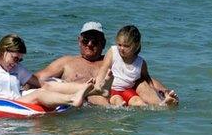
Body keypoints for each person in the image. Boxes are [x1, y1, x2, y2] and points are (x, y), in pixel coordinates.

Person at [29, 22, 179, 106]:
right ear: (78, 40)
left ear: (104, 44)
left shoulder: (115, 59)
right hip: (91, 106)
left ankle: (163, 104)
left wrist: (164, 90)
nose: (89, 44)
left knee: (141, 86)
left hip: (120, 100)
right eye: (85, 40)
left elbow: (145, 78)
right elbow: (38, 78)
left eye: (95, 41)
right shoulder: (67, 62)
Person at [94, 25, 178, 106]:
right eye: (119, 44)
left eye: (126, 46)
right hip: (113, 90)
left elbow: (148, 80)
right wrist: (98, 85)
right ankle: (121, 107)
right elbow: (104, 68)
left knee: (138, 102)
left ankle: (163, 104)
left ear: (136, 46)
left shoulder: (140, 63)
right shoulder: (113, 52)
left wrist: (159, 92)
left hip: (128, 90)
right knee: (117, 100)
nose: (121, 48)